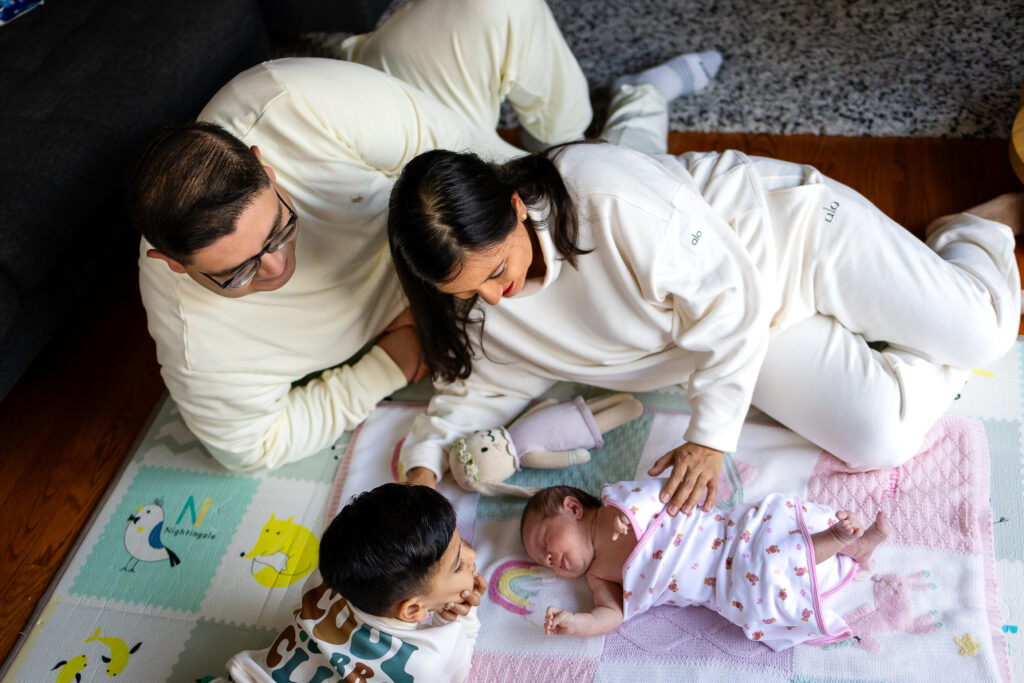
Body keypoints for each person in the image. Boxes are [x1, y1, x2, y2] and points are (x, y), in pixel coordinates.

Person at [127, 0, 721, 472]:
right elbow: (252, 449)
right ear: (173, 265)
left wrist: (558, 196)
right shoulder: (194, 341)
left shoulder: (287, 102)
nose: (278, 267)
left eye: (279, 229)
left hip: (403, 141)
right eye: (238, 272)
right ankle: (638, 107)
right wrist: (391, 359)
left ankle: (585, 134)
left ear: (267, 166)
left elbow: (460, 152)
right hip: (428, 283)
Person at [386, 141, 1022, 514]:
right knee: (881, 439)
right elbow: (485, 386)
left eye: (498, 270)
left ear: (517, 208)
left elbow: (727, 296)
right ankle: (909, 323)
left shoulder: (602, 194)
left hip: (788, 241)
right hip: (742, 341)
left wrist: (711, 438)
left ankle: (974, 229)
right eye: (466, 292)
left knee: (987, 333)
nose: (493, 298)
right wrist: (421, 470)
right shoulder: (477, 302)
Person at [519, 481, 890, 650]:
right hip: (721, 586)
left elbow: (663, 491)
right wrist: (578, 623)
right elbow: (612, 613)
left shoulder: (615, 499)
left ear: (572, 508)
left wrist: (624, 514)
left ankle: (845, 540)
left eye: (545, 543)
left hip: (728, 538)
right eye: (543, 563)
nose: (550, 561)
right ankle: (851, 547)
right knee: (762, 580)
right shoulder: (598, 575)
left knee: (770, 549)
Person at [224, 483, 486, 682]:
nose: (473, 555)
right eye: (459, 565)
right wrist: (460, 617)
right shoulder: (425, 660)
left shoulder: (326, 579)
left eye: (461, 544)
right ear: (412, 611)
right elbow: (459, 672)